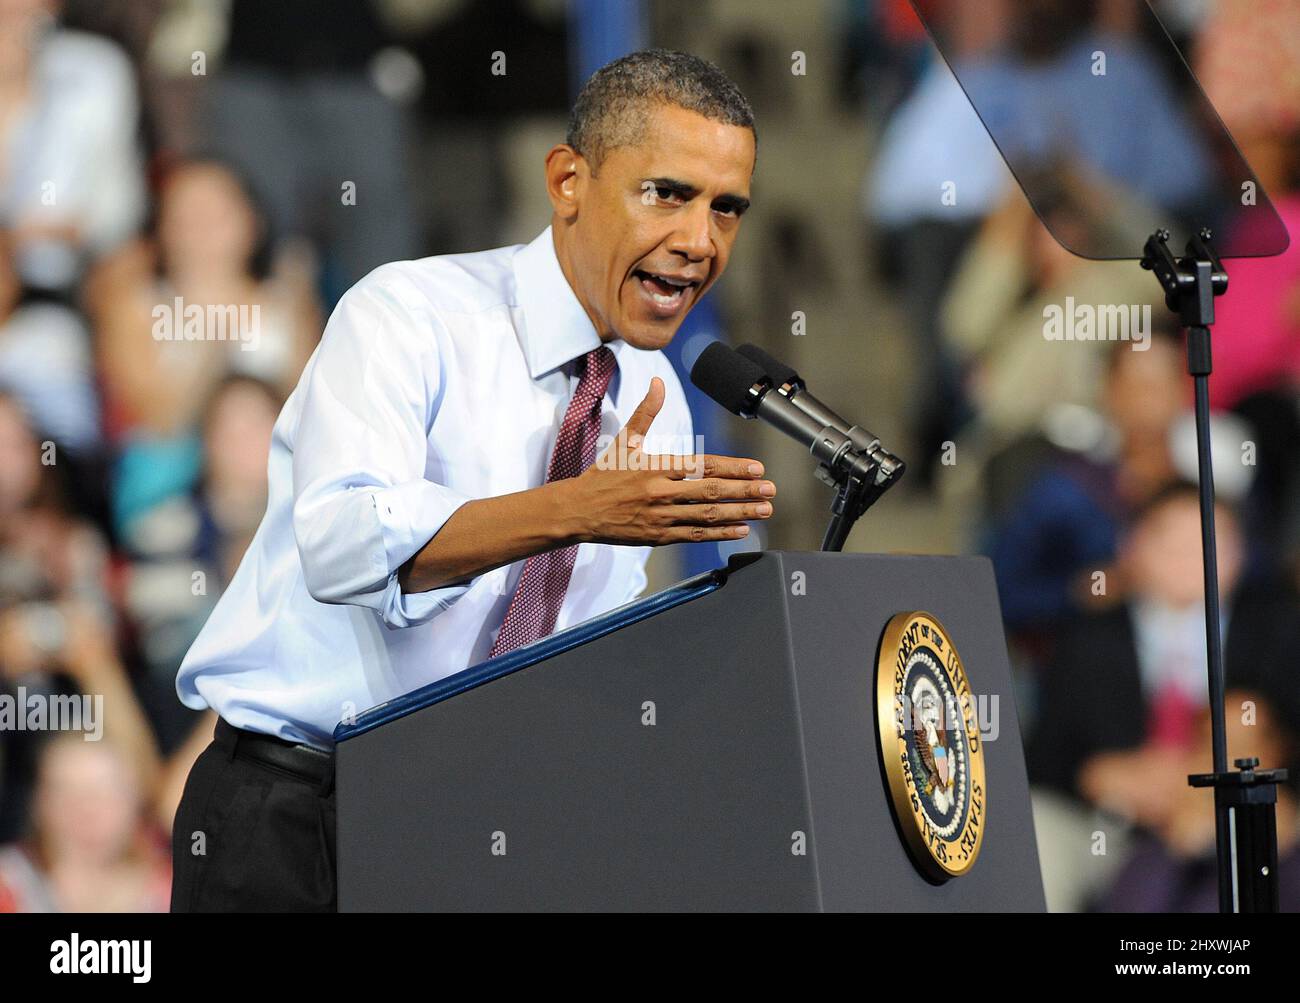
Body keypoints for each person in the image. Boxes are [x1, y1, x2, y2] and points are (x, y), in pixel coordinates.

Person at [169, 50, 773, 912]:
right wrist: (576, 508)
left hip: (475, 825)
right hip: (295, 821)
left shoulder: (654, 398)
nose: (699, 240)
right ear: (568, 180)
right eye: (666, 193)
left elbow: (580, 657)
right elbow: (342, 545)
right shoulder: (410, 315)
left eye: (727, 209)